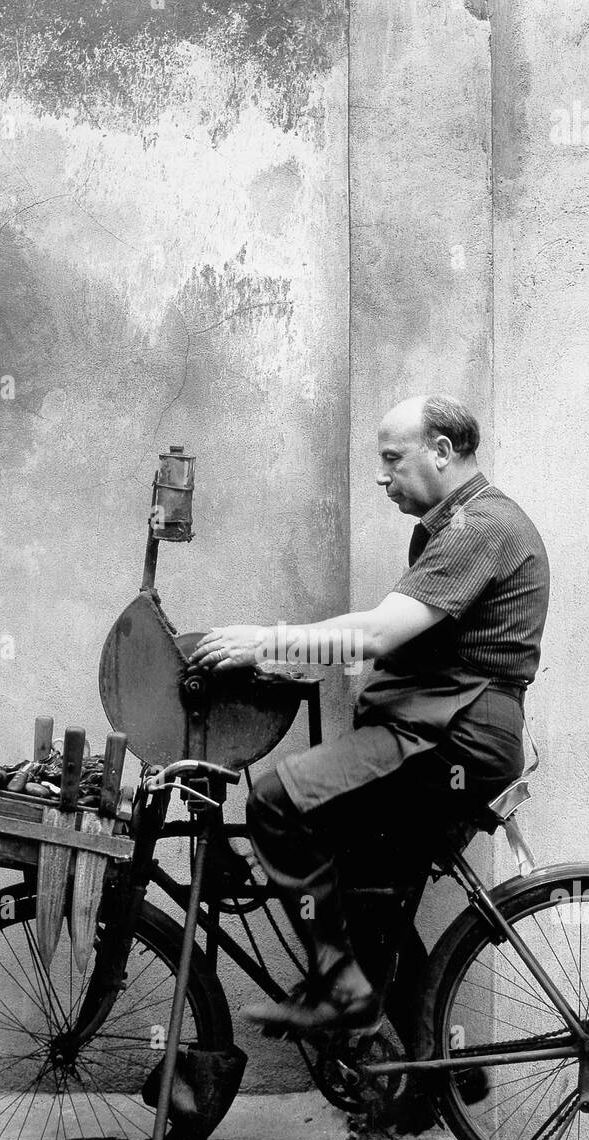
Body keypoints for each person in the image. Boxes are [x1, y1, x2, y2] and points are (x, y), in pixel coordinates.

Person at [188, 394, 549, 1036]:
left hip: (450, 737)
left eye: (392, 459)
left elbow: (379, 636)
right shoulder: (443, 529)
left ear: (441, 452)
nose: (382, 477)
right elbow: (405, 642)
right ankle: (435, 1080)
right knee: (368, 895)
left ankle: (340, 989)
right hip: (439, 730)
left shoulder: (478, 528)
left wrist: (266, 642)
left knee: (275, 803)